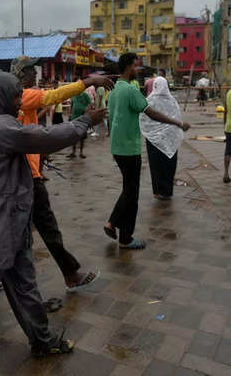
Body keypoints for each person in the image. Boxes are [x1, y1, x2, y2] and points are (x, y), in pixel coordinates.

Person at [0, 71, 107, 371]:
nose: (19, 103)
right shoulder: (0, 127)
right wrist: (84, 122)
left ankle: (42, 340)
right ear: (2, 96)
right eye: (16, 97)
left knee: (25, 286)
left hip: (10, 223)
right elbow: (45, 138)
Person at [11, 56, 112, 292]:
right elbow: (54, 96)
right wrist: (88, 81)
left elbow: (33, 131)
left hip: (26, 172)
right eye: (30, 70)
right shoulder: (23, 96)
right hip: (28, 177)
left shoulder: (20, 97)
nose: (35, 74)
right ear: (20, 73)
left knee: (20, 231)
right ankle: (71, 275)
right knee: (47, 228)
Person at [105, 53, 190, 249]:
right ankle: (126, 238)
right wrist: (178, 123)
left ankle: (111, 223)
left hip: (117, 146)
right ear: (127, 67)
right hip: (129, 148)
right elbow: (151, 114)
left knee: (129, 188)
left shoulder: (115, 90)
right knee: (132, 194)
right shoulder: (130, 90)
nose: (139, 70)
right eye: (136, 66)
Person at [140, 77, 184, 200]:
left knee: (156, 165)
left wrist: (152, 132)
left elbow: (144, 118)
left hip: (153, 140)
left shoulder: (149, 100)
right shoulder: (172, 101)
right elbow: (177, 117)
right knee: (170, 164)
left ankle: (158, 191)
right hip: (170, 138)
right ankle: (167, 191)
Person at [67, 86, 91, 158]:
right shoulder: (73, 95)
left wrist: (86, 111)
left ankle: (81, 153)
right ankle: (73, 152)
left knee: (82, 137)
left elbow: (90, 104)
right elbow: (71, 105)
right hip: (74, 118)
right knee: (73, 136)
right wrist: (70, 114)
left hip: (82, 119)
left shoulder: (85, 95)